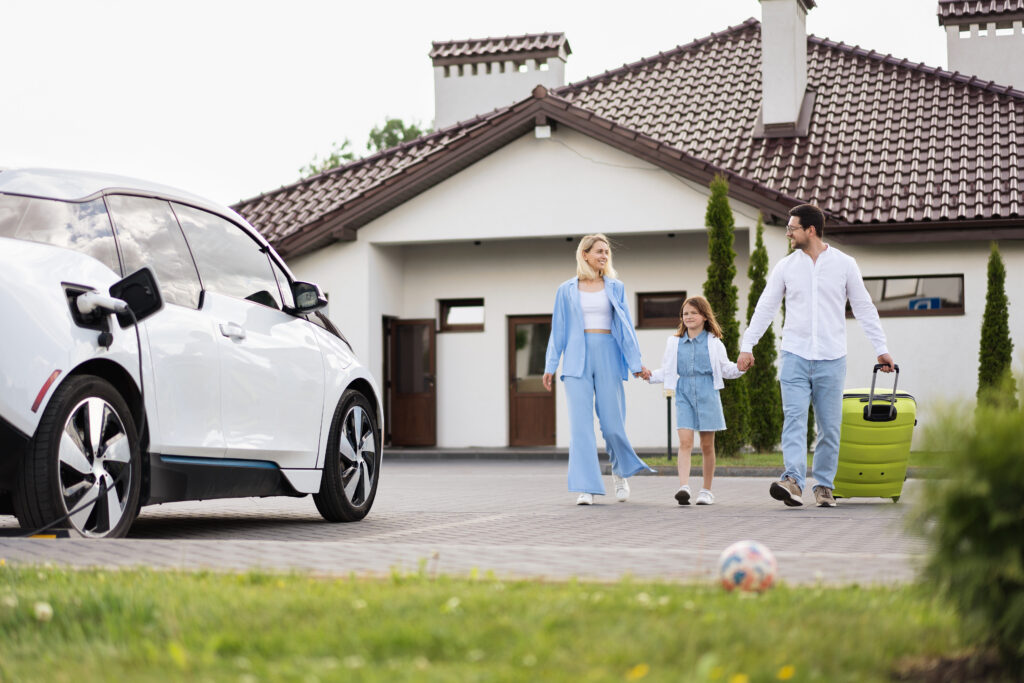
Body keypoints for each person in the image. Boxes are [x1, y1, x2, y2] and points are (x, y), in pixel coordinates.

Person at [738, 204, 895, 508]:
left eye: (792, 228)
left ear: (810, 230)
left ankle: (824, 486)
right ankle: (793, 481)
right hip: (794, 355)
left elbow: (863, 307)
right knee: (794, 419)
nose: (788, 233)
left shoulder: (845, 264)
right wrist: (748, 345)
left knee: (829, 427)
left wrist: (881, 348)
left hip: (832, 358)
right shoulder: (786, 266)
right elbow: (766, 306)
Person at [543, 234, 652, 505]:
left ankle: (619, 472)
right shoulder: (566, 289)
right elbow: (558, 330)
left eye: (606, 252)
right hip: (576, 360)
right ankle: (586, 487)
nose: (604, 256)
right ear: (585, 254)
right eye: (599, 251)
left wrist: (635, 362)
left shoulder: (615, 287)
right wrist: (550, 365)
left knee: (613, 425)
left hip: (608, 355)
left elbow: (626, 329)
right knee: (580, 428)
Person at [647, 296, 744, 506]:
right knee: (685, 442)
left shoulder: (714, 343)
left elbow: (726, 369)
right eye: (685, 313)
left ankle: (707, 491)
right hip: (684, 394)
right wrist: (649, 376)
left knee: (707, 445)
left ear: (704, 316)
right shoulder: (673, 343)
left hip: (708, 393)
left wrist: (741, 367)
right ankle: (683, 487)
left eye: (693, 313)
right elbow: (667, 370)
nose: (688, 317)